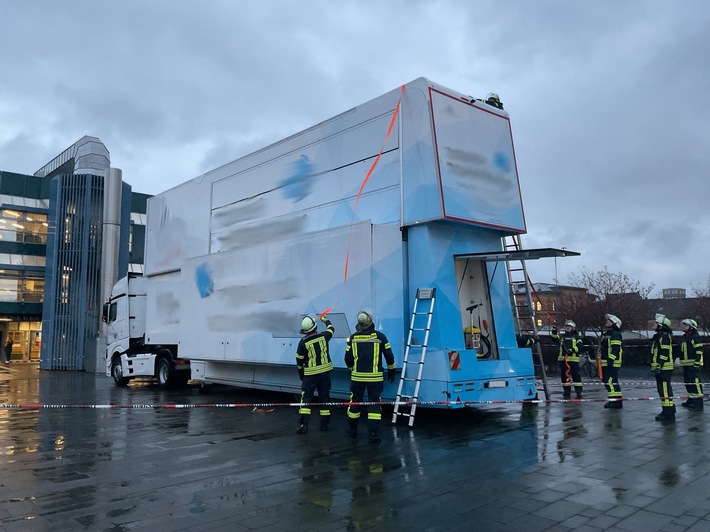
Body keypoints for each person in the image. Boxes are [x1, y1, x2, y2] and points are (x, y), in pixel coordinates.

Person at [344, 310, 396, 444]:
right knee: (374, 404)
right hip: (375, 378)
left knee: (355, 403)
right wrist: (391, 370)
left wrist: (352, 370)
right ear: (370, 322)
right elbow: (389, 355)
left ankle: (352, 431)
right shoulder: (380, 337)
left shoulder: (353, 338)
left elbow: (347, 358)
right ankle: (373, 435)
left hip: (357, 378)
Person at [295, 314, 335, 434]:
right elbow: (331, 328)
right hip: (325, 374)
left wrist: (301, 373)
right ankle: (324, 425)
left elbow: (299, 359)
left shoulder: (303, 343)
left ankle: (304, 425)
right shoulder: (324, 336)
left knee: (306, 399)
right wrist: (325, 320)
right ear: (314, 326)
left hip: (310, 375)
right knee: (325, 398)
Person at [651, 314, 675, 423]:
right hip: (661, 367)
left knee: (665, 391)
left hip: (664, 368)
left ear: (661, 325)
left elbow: (664, 353)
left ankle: (668, 413)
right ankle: (667, 410)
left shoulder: (664, 337)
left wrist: (659, 364)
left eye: (656, 323)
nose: (654, 325)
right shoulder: (660, 336)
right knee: (662, 391)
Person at [551, 320, 583, 399]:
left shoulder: (576, 337)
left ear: (573, 328)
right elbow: (554, 338)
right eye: (566, 327)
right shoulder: (562, 337)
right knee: (564, 377)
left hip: (573, 360)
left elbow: (580, 346)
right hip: (563, 360)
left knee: (576, 376)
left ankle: (578, 392)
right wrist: (554, 329)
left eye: (569, 327)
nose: (567, 328)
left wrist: (572, 350)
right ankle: (566, 392)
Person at [679, 318, 704, 410]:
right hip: (686, 364)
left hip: (694, 364)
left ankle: (698, 403)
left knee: (695, 383)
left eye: (686, 325)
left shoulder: (695, 336)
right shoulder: (685, 336)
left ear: (691, 327)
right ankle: (691, 400)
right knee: (688, 383)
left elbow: (699, 350)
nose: (684, 327)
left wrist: (697, 363)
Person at [600, 314, 623, 408]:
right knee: (607, 380)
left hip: (612, 362)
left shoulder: (615, 334)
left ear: (614, 324)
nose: (607, 322)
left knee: (611, 381)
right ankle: (615, 400)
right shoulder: (607, 334)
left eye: (609, 321)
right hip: (605, 361)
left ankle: (615, 402)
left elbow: (615, 348)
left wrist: (611, 359)